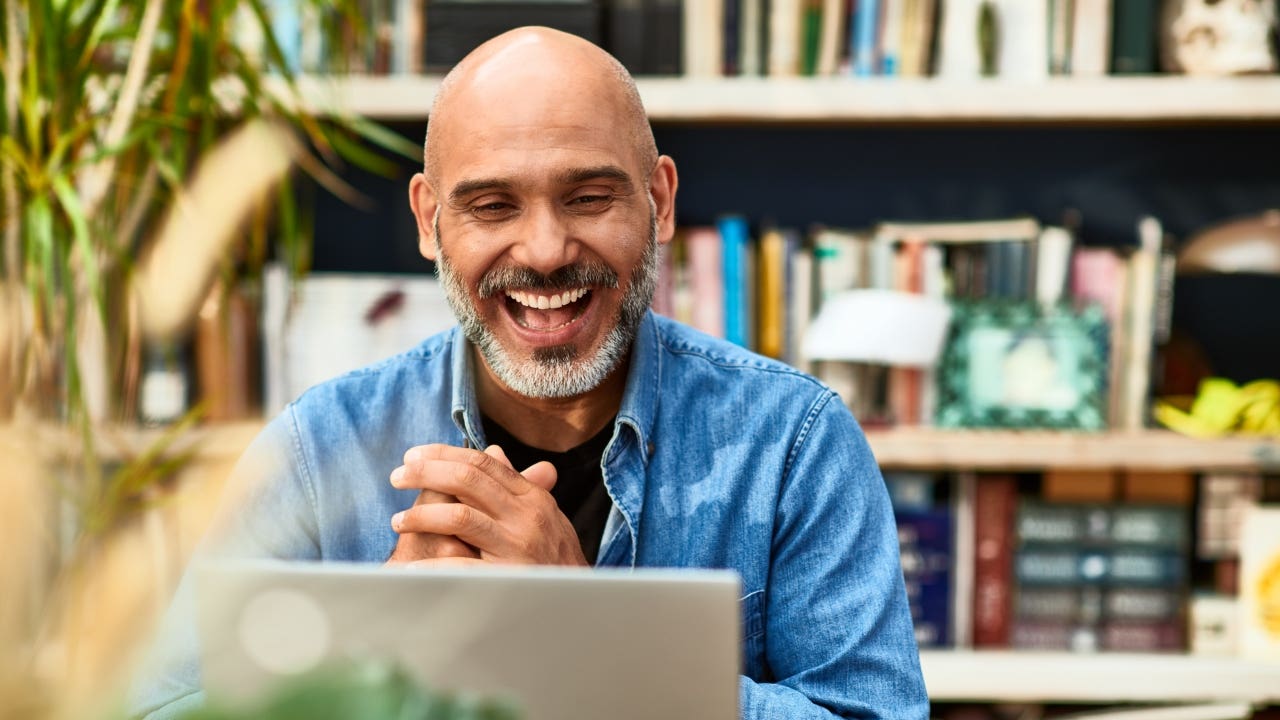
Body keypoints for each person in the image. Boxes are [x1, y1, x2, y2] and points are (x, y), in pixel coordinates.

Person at [130, 26, 928, 720]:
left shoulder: (794, 444)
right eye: (492, 207)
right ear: (427, 222)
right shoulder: (316, 451)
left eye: (587, 197)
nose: (545, 252)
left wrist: (588, 630)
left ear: (660, 202)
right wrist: (366, 653)